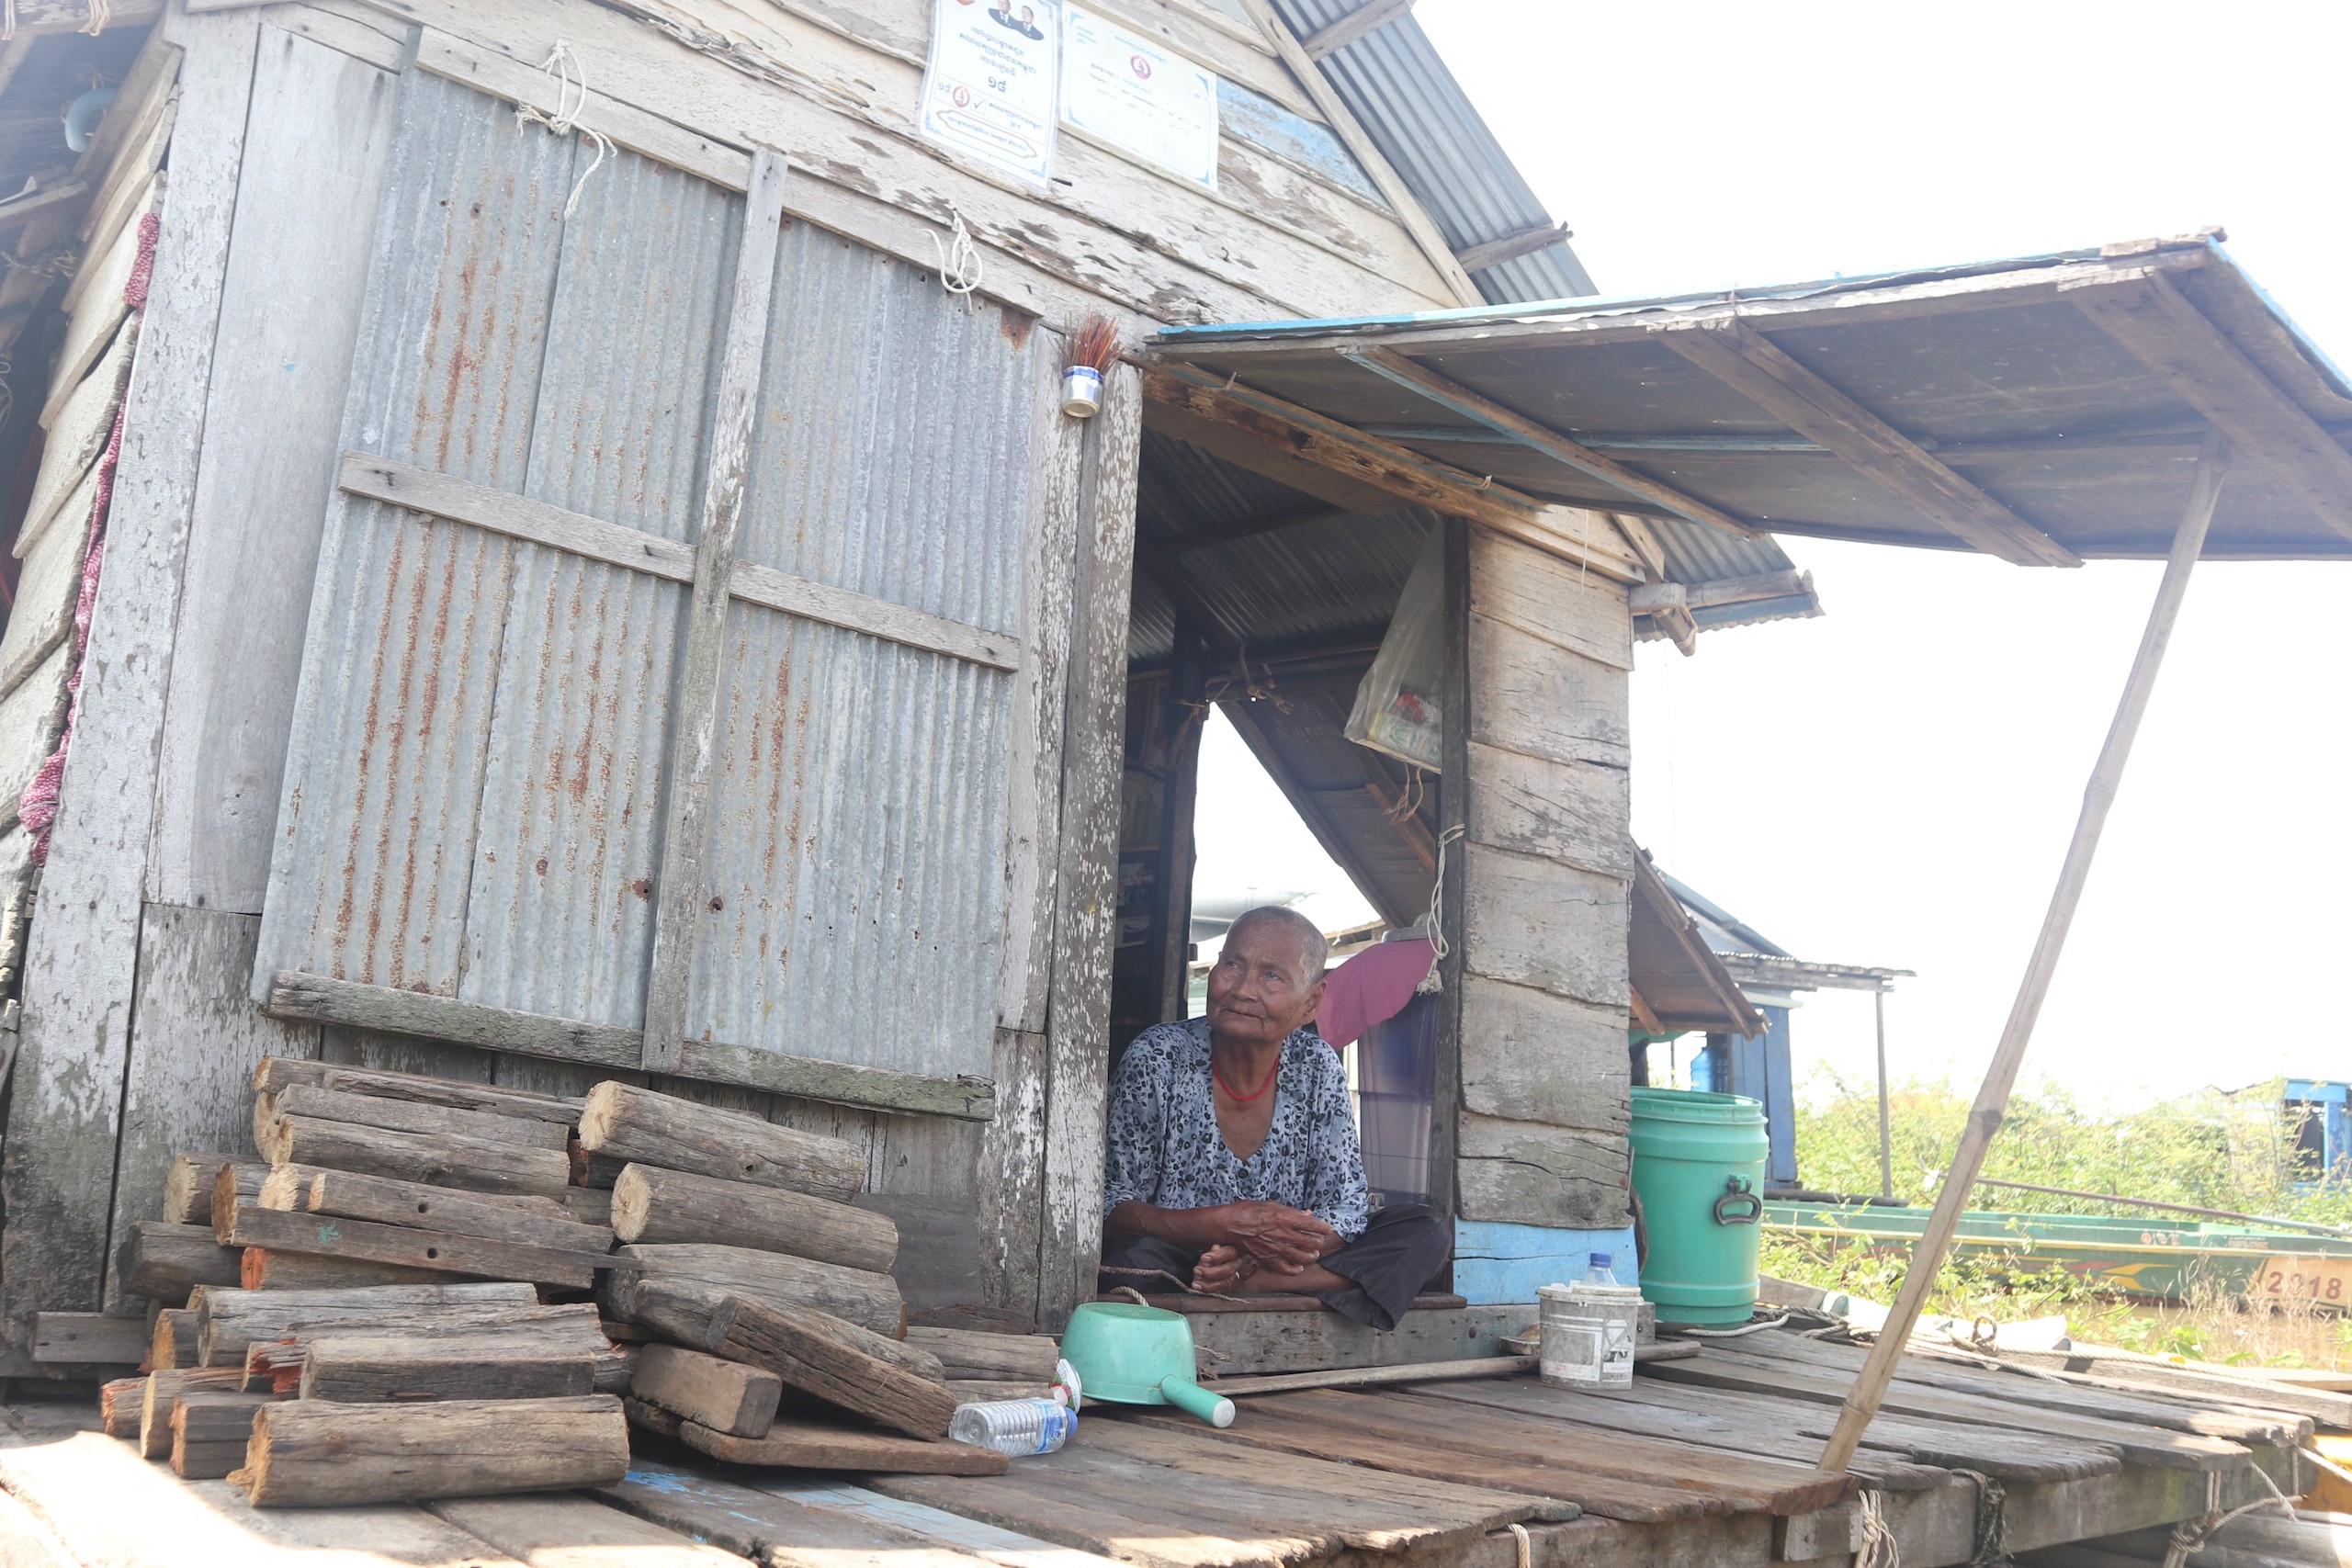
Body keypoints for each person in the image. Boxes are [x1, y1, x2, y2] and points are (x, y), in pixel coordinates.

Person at [1098, 906, 1450, 1330]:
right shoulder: (1159, 1057)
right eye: (1232, 965)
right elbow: (1112, 1203)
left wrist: (1254, 1260)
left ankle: (1252, 1285)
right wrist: (1225, 1225)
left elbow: (1345, 1207)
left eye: (1272, 976)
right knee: (1128, 1263)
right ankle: (1288, 1284)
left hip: (1277, 1260)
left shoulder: (1316, 1065)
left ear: (1311, 1002)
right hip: (1180, 1254)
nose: (1243, 989)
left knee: (1425, 1231)